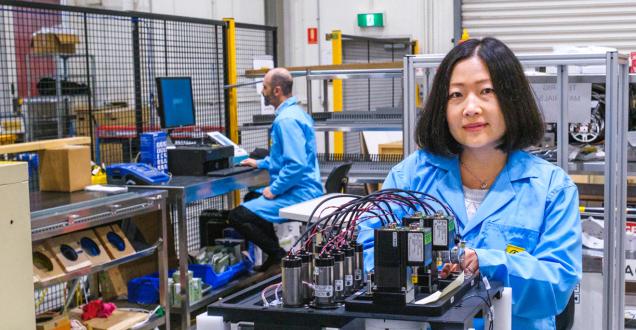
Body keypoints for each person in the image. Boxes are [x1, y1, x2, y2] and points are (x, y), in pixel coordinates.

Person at [357, 38, 582, 329]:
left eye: (486, 91)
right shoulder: (409, 179)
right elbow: (368, 250)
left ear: (512, 98)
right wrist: (421, 268)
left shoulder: (551, 189)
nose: (470, 108)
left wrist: (484, 262)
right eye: (456, 95)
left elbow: (557, 286)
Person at [228, 68, 323, 271]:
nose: (262, 91)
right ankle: (274, 255)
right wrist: (261, 163)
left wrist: (274, 189)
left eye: (265, 87)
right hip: (303, 187)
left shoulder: (286, 120)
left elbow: (296, 164)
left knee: (237, 216)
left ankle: (280, 256)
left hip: (300, 193)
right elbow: (285, 158)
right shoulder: (297, 113)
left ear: (277, 90)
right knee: (250, 199)